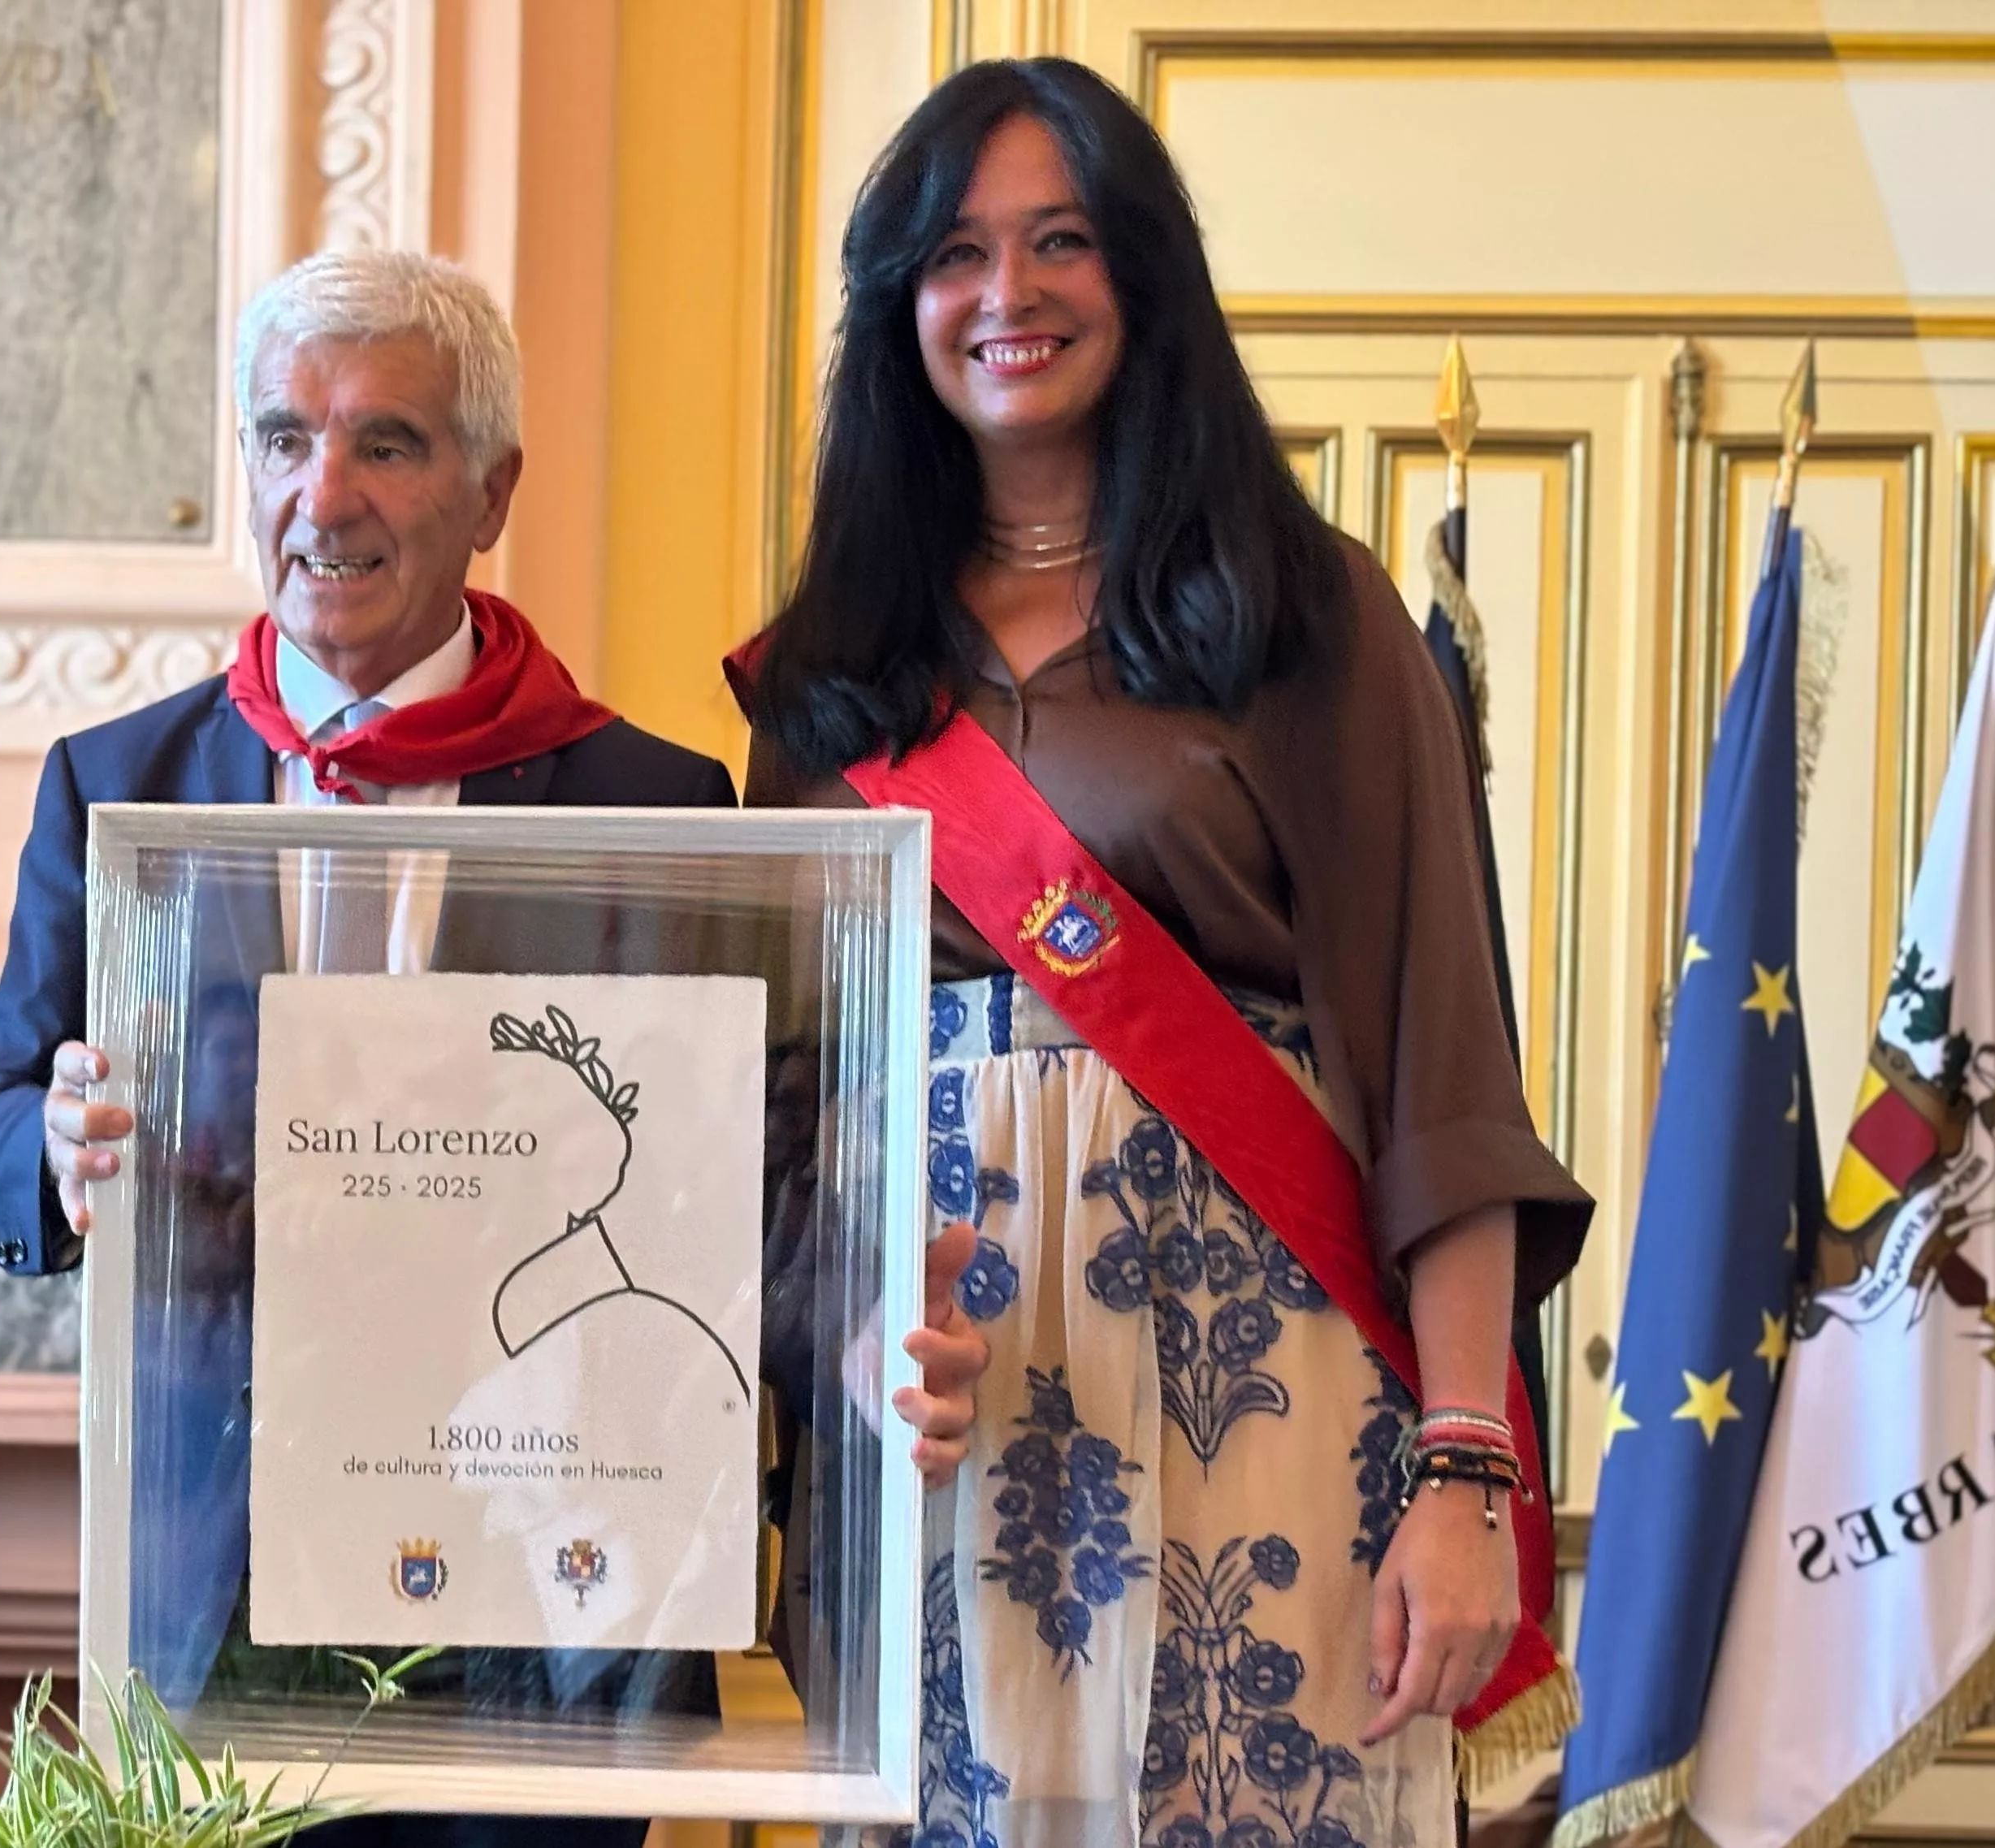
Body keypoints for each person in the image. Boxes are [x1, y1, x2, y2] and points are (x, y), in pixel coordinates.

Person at [0, 248, 985, 1848]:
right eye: (284, 439)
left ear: (493, 492)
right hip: (218, 1592)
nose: (322, 490)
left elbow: (750, 1187)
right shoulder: (123, 787)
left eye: (386, 444)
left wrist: (864, 1324)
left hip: (546, 1590)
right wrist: (55, 1153)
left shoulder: (656, 807)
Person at [729, 61, 1595, 1848]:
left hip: (1273, 1399)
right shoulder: (826, 675)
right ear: (902, 303)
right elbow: (785, 1124)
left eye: (1062, 241)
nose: (1008, 293)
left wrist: (1467, 1467)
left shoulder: (1309, 614)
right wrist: (856, 1324)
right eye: (956, 252)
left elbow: (1441, 1072)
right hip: (952, 1431)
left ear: (1145, 276)